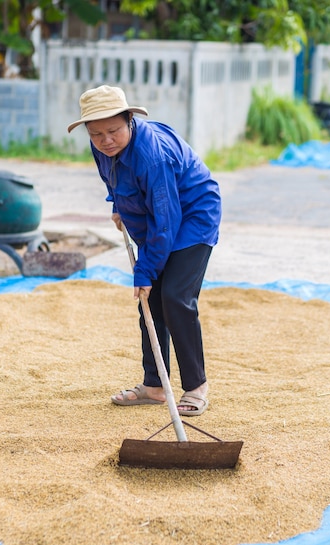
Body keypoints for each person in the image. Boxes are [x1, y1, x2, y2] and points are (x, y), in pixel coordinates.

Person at [67, 85, 221, 416]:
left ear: (130, 120)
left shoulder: (153, 156)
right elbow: (112, 177)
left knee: (175, 296)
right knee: (149, 300)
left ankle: (196, 386)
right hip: (158, 212)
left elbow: (166, 223)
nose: (105, 140)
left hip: (193, 213)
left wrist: (145, 270)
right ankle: (155, 385)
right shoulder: (104, 148)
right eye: (96, 134)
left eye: (113, 131)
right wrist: (117, 203)